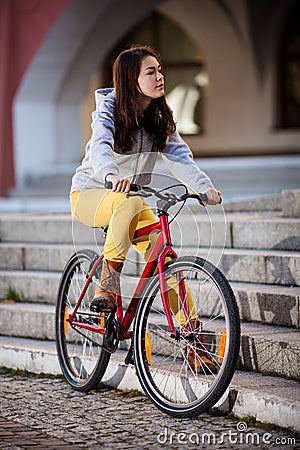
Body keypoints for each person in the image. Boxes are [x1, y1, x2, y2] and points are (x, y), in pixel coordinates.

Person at [70, 45, 220, 371]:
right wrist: (110, 175)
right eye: (150, 72)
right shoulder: (109, 109)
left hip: (130, 201)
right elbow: (99, 145)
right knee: (132, 200)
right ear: (130, 78)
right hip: (91, 194)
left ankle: (192, 340)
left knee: (165, 260)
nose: (160, 76)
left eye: (160, 70)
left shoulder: (157, 116)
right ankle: (107, 282)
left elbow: (180, 155)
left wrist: (203, 188)